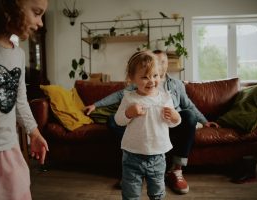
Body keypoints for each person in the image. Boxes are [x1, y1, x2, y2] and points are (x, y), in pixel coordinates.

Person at [85, 50, 219, 194]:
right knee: (112, 120)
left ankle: (176, 170)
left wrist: (203, 121)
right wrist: (96, 105)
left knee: (190, 115)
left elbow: (188, 105)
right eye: (155, 61)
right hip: (142, 125)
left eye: (162, 62)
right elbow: (118, 95)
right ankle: (135, 168)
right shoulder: (136, 87)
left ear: (166, 65)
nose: (157, 66)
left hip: (168, 123)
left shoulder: (176, 85)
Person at [0, 0, 49, 199]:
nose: (41, 22)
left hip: (10, 150)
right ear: (9, 7)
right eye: (36, 13)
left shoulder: (18, 54)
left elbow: (20, 101)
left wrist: (34, 133)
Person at [115, 50, 181, 199]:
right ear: (132, 78)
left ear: (161, 75)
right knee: (130, 195)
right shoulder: (129, 98)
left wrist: (176, 117)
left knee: (157, 194)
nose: (151, 81)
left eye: (155, 76)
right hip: (132, 155)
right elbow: (118, 120)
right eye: (145, 77)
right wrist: (129, 113)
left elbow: (172, 124)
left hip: (157, 156)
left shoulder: (165, 98)